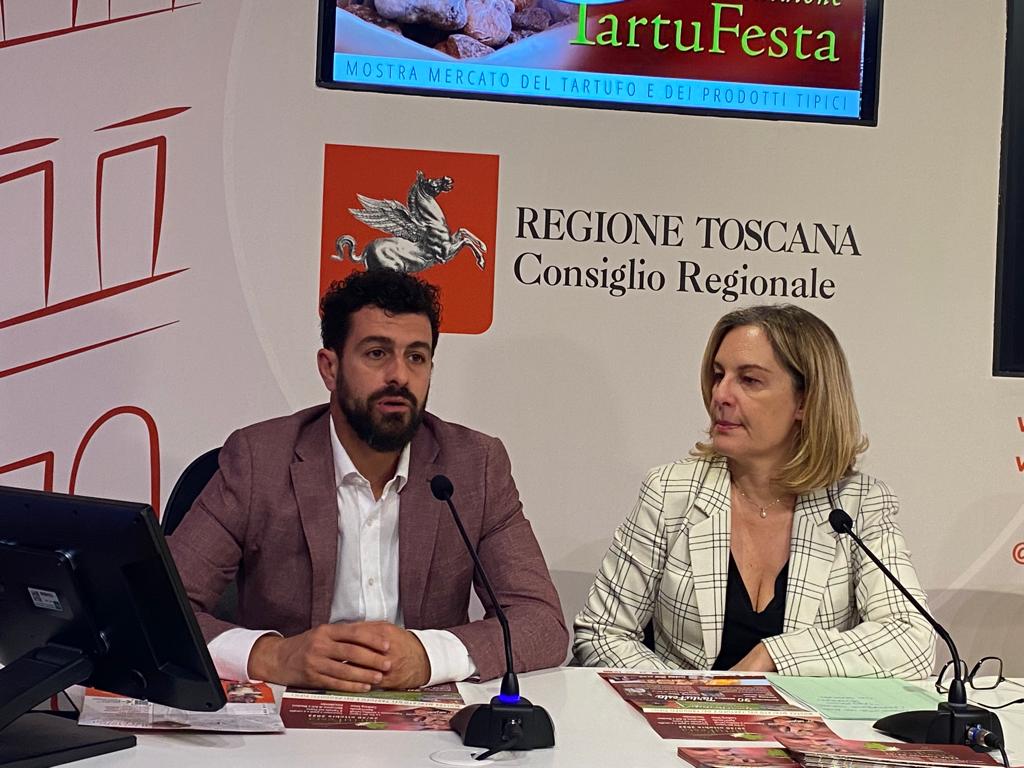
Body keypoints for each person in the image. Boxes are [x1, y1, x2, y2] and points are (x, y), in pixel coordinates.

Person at [168, 269, 568, 691]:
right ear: (330, 368)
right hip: (288, 715)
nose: (399, 375)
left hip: (422, 717)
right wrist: (274, 656)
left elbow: (541, 623)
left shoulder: (473, 466)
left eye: (416, 357)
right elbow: (156, 610)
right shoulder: (260, 460)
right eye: (377, 353)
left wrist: (428, 656)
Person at [573, 304, 934, 678]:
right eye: (718, 375)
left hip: (800, 715)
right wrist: (690, 696)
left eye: (749, 380)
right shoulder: (671, 492)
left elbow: (912, 642)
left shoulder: (858, 504)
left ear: (805, 401)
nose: (720, 394)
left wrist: (775, 655)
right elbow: (602, 633)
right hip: (679, 712)